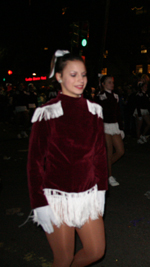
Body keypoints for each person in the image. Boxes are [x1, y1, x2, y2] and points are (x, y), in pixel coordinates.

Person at [27, 50, 108, 266]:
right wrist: (39, 204)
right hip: (57, 198)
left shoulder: (95, 111)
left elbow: (100, 155)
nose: (80, 80)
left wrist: (101, 190)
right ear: (59, 77)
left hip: (88, 195)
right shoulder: (47, 113)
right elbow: (34, 164)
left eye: (83, 75)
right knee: (63, 258)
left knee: (96, 250)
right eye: (73, 75)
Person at [95, 75, 125, 186]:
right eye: (108, 82)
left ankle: (103, 169)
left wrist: (121, 128)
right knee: (109, 151)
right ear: (103, 84)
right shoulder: (100, 97)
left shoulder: (116, 96)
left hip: (114, 126)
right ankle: (109, 176)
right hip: (105, 126)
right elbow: (98, 114)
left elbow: (118, 113)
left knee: (120, 151)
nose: (111, 84)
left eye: (112, 82)